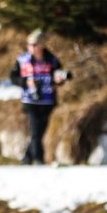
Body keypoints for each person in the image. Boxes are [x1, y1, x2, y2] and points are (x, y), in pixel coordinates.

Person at [9, 29, 68, 165]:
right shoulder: (23, 60)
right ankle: (39, 159)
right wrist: (26, 82)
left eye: (34, 45)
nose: (31, 47)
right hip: (31, 100)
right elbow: (13, 77)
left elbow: (58, 76)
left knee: (40, 132)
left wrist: (59, 80)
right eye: (30, 45)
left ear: (42, 45)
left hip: (47, 100)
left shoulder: (52, 60)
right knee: (36, 131)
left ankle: (27, 158)